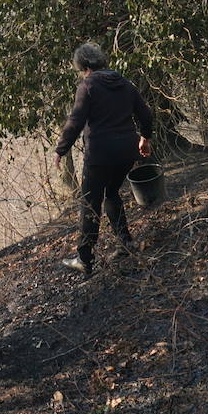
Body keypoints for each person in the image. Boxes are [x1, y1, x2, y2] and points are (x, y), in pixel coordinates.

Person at [54, 43, 153, 277]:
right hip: (127, 152)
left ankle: (84, 258)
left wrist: (61, 149)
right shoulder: (125, 83)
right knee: (112, 192)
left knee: (90, 203)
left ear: (84, 67)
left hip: (100, 154)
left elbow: (76, 121)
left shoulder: (87, 86)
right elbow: (145, 114)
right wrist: (145, 138)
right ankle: (125, 242)